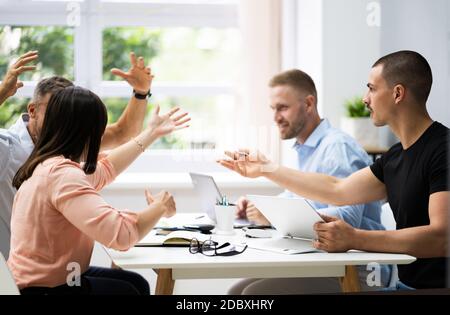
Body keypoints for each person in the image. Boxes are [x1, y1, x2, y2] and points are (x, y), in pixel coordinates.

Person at [219, 50, 449, 290]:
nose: (364, 99)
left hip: (432, 288)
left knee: (256, 293)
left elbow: (442, 237)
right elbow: (337, 189)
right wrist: (267, 169)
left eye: (371, 88)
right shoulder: (394, 157)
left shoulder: (443, 149)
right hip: (404, 285)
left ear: (397, 93)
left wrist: (355, 238)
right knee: (240, 292)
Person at [7, 85, 190, 295]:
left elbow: (106, 169)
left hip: (36, 281)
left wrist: (152, 133)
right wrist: (159, 207)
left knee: (135, 283)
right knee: (128, 291)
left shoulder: (47, 165)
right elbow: (122, 235)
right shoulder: (63, 176)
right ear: (89, 133)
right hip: (46, 289)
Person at [227, 69, 390, 295]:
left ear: (309, 103)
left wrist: (273, 216)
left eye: (282, 108)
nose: (275, 118)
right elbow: (295, 199)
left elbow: (347, 217)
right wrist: (260, 206)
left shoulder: (337, 148)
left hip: (359, 269)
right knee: (237, 291)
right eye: (273, 109)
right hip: (325, 261)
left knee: (252, 295)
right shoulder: (305, 149)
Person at [0, 51, 153, 259]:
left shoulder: (66, 139)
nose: (64, 122)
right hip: (18, 275)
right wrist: (2, 92)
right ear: (33, 110)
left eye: (68, 115)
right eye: (56, 113)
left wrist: (140, 92)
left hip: (58, 268)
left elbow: (121, 133)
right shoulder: (7, 148)